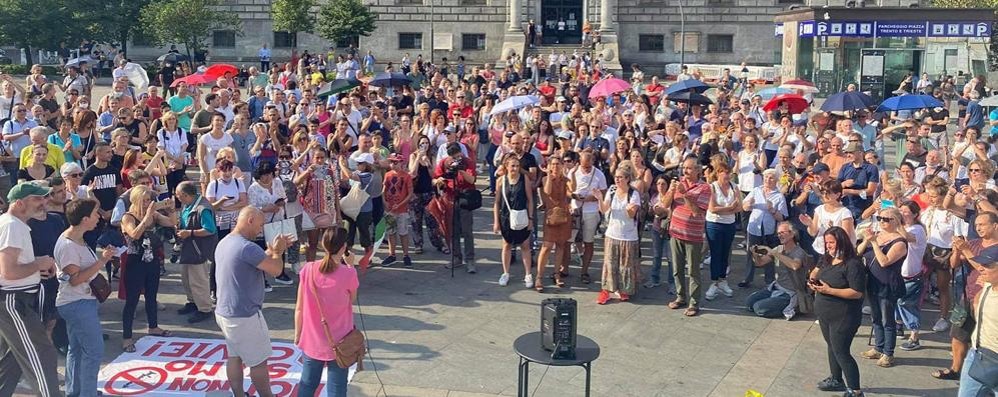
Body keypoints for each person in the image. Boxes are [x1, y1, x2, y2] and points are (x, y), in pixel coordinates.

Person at [214, 207, 291, 397]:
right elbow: (275, 270)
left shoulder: (225, 242)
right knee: (258, 361)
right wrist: (278, 252)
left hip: (225, 311)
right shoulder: (247, 247)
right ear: (250, 220)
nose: (261, 229)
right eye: (260, 224)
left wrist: (271, 251)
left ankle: (239, 394)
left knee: (235, 356)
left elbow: (255, 260)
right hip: (244, 315)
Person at [0, 182, 62, 397]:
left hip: (15, 299)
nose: (43, 203)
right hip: (14, 301)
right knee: (42, 354)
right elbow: (9, 272)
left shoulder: (12, 224)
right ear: (18, 203)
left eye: (44, 198)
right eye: (37, 199)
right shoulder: (13, 226)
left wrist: (37, 266)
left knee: (12, 359)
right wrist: (38, 264)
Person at [54, 198, 115, 397]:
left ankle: (76, 391)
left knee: (77, 349)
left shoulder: (76, 238)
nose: (99, 217)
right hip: (77, 303)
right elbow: (76, 279)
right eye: (96, 213)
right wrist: (103, 261)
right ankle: (86, 393)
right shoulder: (68, 245)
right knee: (94, 351)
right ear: (85, 219)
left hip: (78, 302)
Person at [294, 227, 358, 397]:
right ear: (344, 248)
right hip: (340, 340)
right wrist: (351, 265)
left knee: (307, 385)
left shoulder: (308, 269)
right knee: (337, 389)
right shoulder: (348, 274)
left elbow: (299, 307)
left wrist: (298, 334)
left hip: (312, 339)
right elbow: (351, 301)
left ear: (323, 244)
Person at [811, 226, 867, 397]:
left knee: (841, 351)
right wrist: (812, 280)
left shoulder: (853, 264)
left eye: (832, 242)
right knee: (832, 347)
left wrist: (830, 291)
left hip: (844, 315)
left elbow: (857, 292)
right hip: (825, 312)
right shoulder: (827, 258)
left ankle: (855, 391)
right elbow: (816, 270)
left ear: (841, 242)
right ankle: (836, 379)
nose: (828, 246)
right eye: (826, 242)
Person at [119, 185, 176, 352]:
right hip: (134, 260)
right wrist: (146, 218)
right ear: (135, 200)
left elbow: (172, 223)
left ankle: (153, 326)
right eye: (143, 200)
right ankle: (127, 338)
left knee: (152, 295)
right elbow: (134, 234)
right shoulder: (128, 217)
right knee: (132, 300)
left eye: (149, 200)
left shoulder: (153, 214)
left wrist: (171, 209)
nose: (146, 203)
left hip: (151, 259)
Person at [856, 207, 908, 368]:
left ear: (896, 221)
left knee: (887, 320)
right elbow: (858, 253)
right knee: (876, 317)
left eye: (886, 219)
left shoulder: (899, 242)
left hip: (887, 284)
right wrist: (867, 240)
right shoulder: (877, 236)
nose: (882, 222)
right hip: (872, 282)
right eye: (880, 218)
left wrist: (874, 243)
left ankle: (888, 353)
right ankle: (878, 347)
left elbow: (884, 261)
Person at [954, 212, 998, 397]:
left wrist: (965, 250)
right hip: (977, 351)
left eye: (989, 267)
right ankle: (955, 367)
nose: (983, 270)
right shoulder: (986, 287)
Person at [663, 157, 711, 317]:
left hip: (693, 235)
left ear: (698, 170)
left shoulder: (704, 188)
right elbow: (665, 204)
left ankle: (694, 303)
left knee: (693, 271)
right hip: (675, 232)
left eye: (689, 168)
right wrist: (671, 190)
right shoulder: (679, 183)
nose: (686, 171)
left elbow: (697, 211)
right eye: (684, 168)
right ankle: (680, 297)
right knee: (676, 269)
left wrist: (684, 194)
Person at [593, 166, 641, 304]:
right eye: (616, 177)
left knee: (625, 265)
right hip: (612, 233)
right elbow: (604, 209)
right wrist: (599, 199)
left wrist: (629, 209)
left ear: (627, 179)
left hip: (628, 235)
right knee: (609, 263)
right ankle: (606, 291)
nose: (617, 179)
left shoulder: (634, 194)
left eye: (620, 177)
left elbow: (632, 215)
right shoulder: (612, 190)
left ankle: (624, 290)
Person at [746, 222, 812, 319]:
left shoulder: (799, 252)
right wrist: (755, 254)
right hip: (777, 287)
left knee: (759, 308)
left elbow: (795, 265)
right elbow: (759, 263)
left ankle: (793, 306)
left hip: (790, 292)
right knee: (749, 302)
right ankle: (774, 302)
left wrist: (772, 252)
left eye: (782, 232)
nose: (779, 235)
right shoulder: (779, 249)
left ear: (792, 234)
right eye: (778, 233)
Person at [174, 181, 218, 324]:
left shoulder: (203, 208)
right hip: (188, 248)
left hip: (199, 249)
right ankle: (192, 302)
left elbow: (209, 229)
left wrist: (190, 233)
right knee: (186, 278)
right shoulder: (188, 204)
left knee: (198, 280)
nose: (177, 198)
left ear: (186, 195)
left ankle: (205, 308)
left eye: (179, 195)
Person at [741, 169, 788, 288]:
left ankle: (769, 281)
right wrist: (748, 204)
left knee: (769, 254)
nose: (768, 180)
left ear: (776, 180)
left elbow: (782, 217)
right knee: (751, 252)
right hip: (754, 227)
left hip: (768, 230)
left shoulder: (779, 196)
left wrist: (772, 210)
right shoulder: (756, 190)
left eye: (771, 178)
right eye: (766, 177)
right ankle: (747, 278)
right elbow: (744, 207)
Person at [435, 143, 477, 271]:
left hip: (465, 198)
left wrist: (461, 170)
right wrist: (439, 181)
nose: (454, 158)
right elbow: (435, 178)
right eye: (452, 156)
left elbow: (472, 180)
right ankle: (456, 257)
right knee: (453, 231)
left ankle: (470, 260)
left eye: (456, 155)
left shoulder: (467, 162)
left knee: (467, 231)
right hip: (450, 198)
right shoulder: (444, 162)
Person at [494, 153, 534, 287]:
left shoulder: (524, 179)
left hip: (522, 215)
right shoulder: (501, 180)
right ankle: (505, 273)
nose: (515, 169)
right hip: (506, 217)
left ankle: (528, 274)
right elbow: (497, 202)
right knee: (506, 245)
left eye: (517, 166)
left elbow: (530, 200)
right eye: (512, 166)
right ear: (506, 166)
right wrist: (496, 221)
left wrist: (530, 218)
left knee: (525, 245)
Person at [569, 150, 608, 285]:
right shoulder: (573, 172)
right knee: (569, 240)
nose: (585, 168)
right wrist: (574, 196)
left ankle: (584, 271)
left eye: (588, 166)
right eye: (583, 165)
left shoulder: (599, 174)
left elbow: (603, 193)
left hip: (591, 211)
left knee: (588, 241)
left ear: (592, 162)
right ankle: (564, 269)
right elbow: (568, 189)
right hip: (575, 209)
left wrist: (590, 198)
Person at [704, 160, 741, 300]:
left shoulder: (734, 187)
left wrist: (725, 210)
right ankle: (714, 282)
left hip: (729, 225)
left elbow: (739, 207)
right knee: (715, 253)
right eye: (723, 172)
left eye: (728, 172)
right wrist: (729, 208)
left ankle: (723, 280)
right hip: (714, 224)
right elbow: (712, 208)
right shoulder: (712, 187)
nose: (726, 175)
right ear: (718, 173)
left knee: (725, 253)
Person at [536, 155, 572, 291]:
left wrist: (570, 173)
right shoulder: (546, 179)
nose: (556, 167)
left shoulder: (566, 179)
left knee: (561, 245)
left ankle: (557, 273)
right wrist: (549, 176)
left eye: (558, 164)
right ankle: (539, 276)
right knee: (547, 246)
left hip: (563, 215)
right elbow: (547, 191)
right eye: (553, 164)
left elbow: (571, 190)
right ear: (549, 166)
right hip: (551, 216)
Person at [896, 201, 927, 351]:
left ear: (915, 214)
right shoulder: (905, 227)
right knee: (896, 300)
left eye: (905, 211)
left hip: (911, 275)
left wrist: (895, 220)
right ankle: (898, 325)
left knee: (906, 303)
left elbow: (907, 236)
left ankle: (914, 336)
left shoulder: (918, 229)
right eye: (900, 210)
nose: (902, 213)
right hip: (898, 272)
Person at [381, 154, 414, 268]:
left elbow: (410, 194)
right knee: (391, 232)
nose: (392, 165)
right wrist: (384, 201)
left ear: (401, 163)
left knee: (403, 232)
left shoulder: (406, 176)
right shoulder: (387, 175)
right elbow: (384, 190)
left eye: (395, 162)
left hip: (402, 209)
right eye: (391, 162)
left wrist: (400, 204)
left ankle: (406, 255)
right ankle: (392, 254)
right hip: (390, 209)